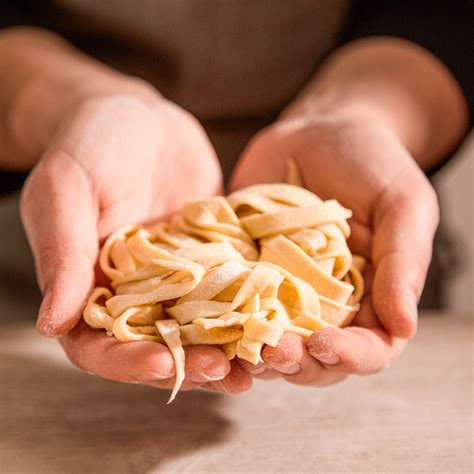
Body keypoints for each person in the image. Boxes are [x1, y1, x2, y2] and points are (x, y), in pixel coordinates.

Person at [0, 1, 471, 394]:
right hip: (67, 242)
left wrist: (362, 115)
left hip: (364, 236)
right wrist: (73, 102)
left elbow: (444, 12)